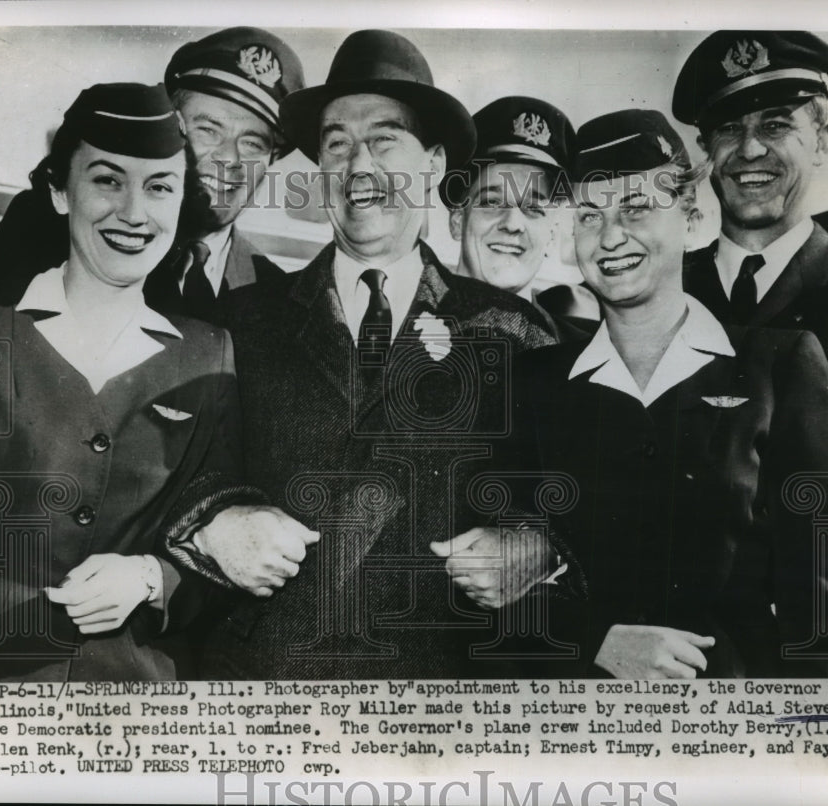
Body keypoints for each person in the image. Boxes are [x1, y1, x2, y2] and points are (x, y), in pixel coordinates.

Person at [164, 30, 558, 679]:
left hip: (432, 718)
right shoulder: (240, 320)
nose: (357, 165)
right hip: (260, 692)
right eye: (337, 145)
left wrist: (535, 546)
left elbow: (576, 496)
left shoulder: (512, 333)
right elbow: (174, 470)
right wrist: (212, 523)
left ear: (433, 164)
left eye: (382, 140)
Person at [504, 109, 828, 677]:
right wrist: (590, 638)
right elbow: (500, 589)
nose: (611, 236)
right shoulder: (536, 381)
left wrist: (818, 747)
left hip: (738, 727)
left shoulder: (780, 366)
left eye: (636, 209)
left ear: (692, 220)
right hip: (575, 725)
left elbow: (822, 601)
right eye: (589, 216)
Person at [0, 83, 262, 681]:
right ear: (57, 190)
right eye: (106, 180)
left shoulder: (207, 353)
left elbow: (217, 552)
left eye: (159, 187)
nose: (133, 212)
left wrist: (154, 578)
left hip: (135, 707)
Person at [673, 31, 828, 676]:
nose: (749, 150)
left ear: (822, 139)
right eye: (726, 130)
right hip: (684, 669)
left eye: (777, 125)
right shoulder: (655, 294)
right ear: (702, 153)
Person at [0, 28, 304, 325]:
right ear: (172, 131)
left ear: (272, 159)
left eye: (252, 143)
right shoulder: (51, 226)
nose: (229, 159)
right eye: (208, 129)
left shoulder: (274, 293)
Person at [443, 96, 596, 340]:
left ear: (552, 235)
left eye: (533, 208)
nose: (512, 224)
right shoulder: (396, 334)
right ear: (457, 221)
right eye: (492, 202)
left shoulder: (580, 358)